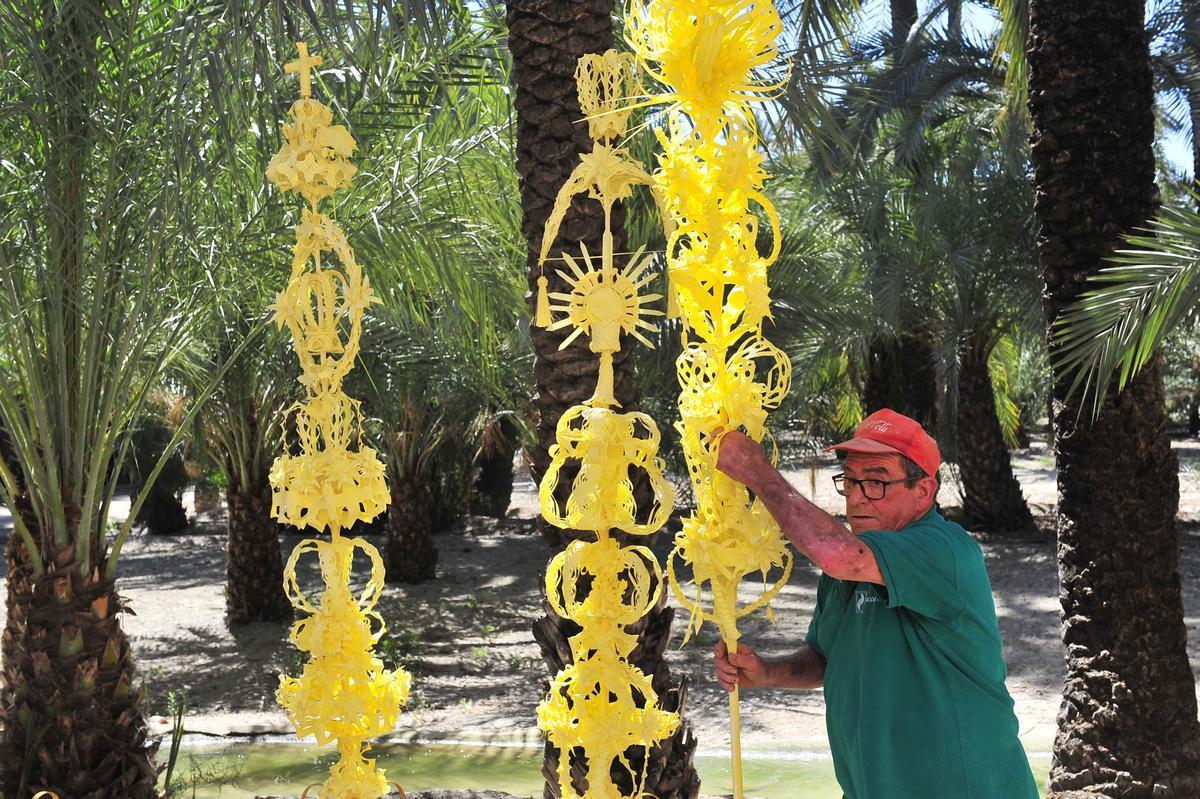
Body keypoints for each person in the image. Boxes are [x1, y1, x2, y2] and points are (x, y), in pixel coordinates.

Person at [712, 408, 1038, 799]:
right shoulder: (850, 568)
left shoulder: (945, 549)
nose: (856, 496)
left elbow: (838, 554)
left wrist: (756, 471)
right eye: (849, 480)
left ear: (924, 492)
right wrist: (764, 673)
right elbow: (824, 658)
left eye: (876, 482)